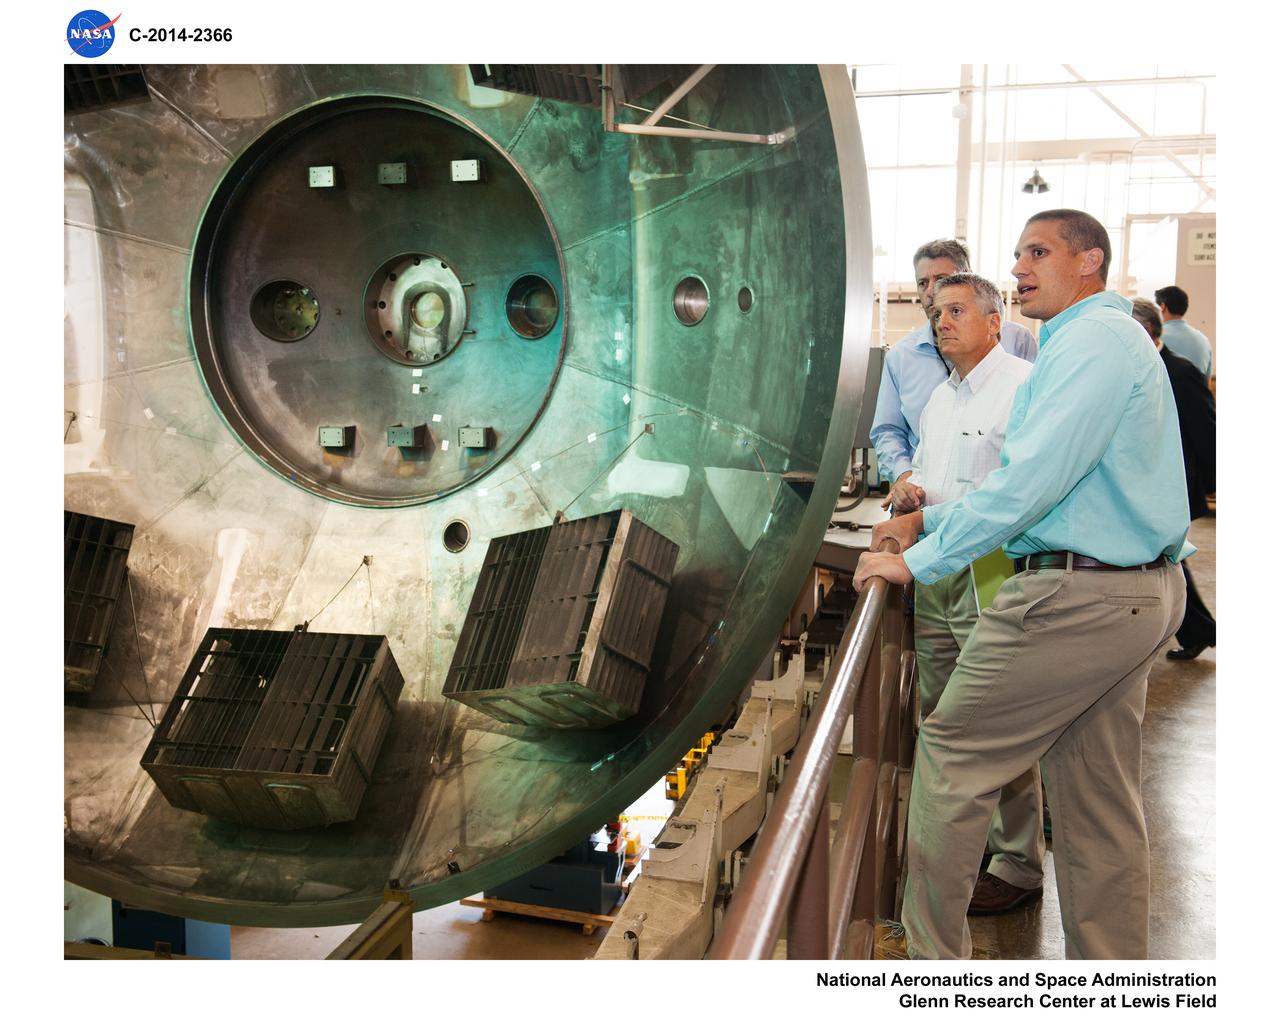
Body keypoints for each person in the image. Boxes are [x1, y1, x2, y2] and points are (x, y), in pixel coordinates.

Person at [857, 209, 1190, 960]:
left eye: (1038, 252)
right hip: (1126, 587)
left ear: (1090, 262)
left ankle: (929, 964)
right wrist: (930, 527)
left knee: (948, 751)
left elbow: (1028, 485)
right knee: (1096, 799)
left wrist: (914, 561)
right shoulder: (1088, 345)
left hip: (1077, 594)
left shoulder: (1092, 343)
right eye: (1016, 253)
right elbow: (1015, 487)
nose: (1019, 266)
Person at [897, 272, 1043, 916]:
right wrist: (912, 492)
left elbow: (1011, 498)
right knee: (943, 714)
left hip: (993, 571)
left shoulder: (1024, 388)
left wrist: (929, 516)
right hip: (937, 574)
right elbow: (934, 479)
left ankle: (1017, 862)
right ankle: (969, 844)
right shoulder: (939, 400)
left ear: (994, 321)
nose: (941, 321)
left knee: (1000, 717)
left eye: (956, 310)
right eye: (936, 312)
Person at [870, 239, 1037, 505]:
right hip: (924, 511)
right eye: (923, 283)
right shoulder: (934, 389)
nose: (931, 291)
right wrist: (906, 482)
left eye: (942, 279)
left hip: (987, 529)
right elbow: (894, 436)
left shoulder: (1022, 367)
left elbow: (1025, 477)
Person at [1131, 298, 1216, 659]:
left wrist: (1214, 483)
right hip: (1145, 483)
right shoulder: (1137, 367)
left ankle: (1196, 630)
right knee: (1169, 560)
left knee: (1169, 560)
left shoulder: (1178, 371)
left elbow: (1205, 430)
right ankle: (1197, 630)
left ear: (1147, 332)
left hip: (1174, 484)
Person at [1154, 284, 1213, 380]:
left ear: (1162, 307)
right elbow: (1207, 382)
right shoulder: (1204, 340)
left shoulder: (1157, 338)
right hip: (1196, 395)